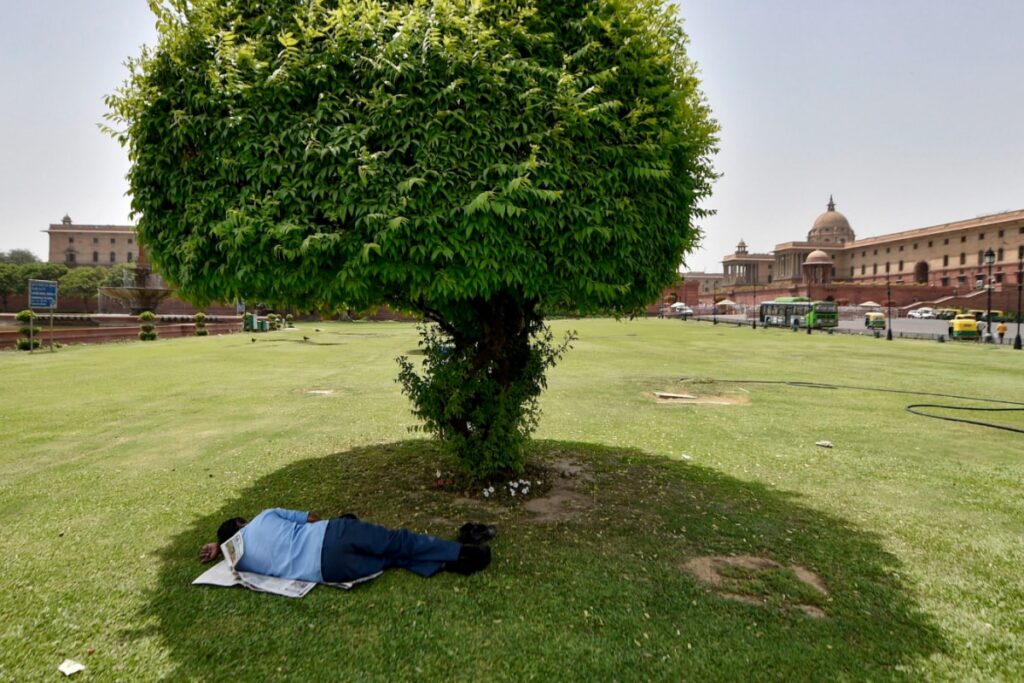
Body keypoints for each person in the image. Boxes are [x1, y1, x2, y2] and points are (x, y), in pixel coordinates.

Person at [199, 508, 493, 582]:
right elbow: (312, 518)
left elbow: (226, 549)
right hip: (333, 535)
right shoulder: (264, 516)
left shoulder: (237, 560)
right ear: (242, 523)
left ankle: (440, 565)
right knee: (396, 541)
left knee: (390, 559)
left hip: (331, 571)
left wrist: (217, 547)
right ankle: (463, 553)